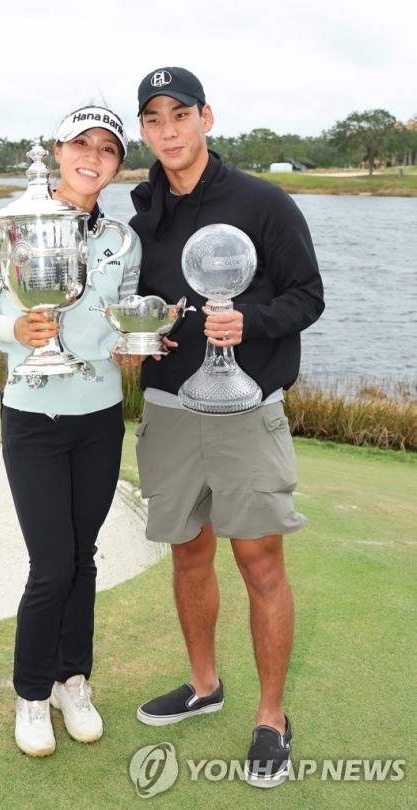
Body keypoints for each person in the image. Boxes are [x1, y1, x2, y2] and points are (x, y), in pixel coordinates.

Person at [129, 67, 325, 788]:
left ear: (206, 118)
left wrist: (252, 321)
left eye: (180, 115)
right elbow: (150, 301)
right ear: (143, 130)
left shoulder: (263, 201)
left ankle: (271, 718)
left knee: (260, 562)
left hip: (247, 414)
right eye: (153, 120)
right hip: (171, 414)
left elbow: (309, 295)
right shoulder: (143, 206)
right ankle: (204, 684)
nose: (169, 131)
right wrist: (144, 334)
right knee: (187, 556)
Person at [0, 105, 141, 757]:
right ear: (59, 151)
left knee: (83, 560)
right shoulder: (7, 224)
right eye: (80, 143)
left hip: (98, 418)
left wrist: (135, 342)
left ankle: (72, 680)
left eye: (108, 149)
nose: (92, 156)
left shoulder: (121, 238)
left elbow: (121, 319)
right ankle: (32, 695)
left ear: (118, 166)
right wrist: (15, 328)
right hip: (32, 417)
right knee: (51, 563)